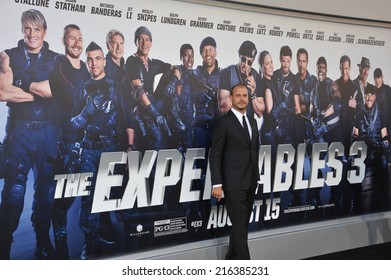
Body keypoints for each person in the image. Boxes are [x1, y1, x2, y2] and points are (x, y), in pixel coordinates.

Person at [0, 9, 59, 260]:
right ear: (22, 29)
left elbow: (56, 93)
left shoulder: (57, 60)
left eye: (36, 29)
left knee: (46, 192)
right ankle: (3, 245)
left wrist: (19, 87)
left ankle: (43, 241)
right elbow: (2, 93)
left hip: (49, 132)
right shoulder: (8, 56)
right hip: (19, 132)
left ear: (44, 31)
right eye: (27, 28)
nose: (31, 34)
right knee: (14, 193)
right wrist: (40, 92)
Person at [71, 41, 133, 259]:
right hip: (88, 149)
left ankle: (129, 241)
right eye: (89, 59)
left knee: (117, 194)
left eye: (97, 58)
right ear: (86, 62)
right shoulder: (82, 90)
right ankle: (90, 243)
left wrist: (129, 146)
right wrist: (87, 111)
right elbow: (73, 125)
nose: (93, 63)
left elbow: (127, 118)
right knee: (88, 198)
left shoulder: (116, 87)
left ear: (104, 61)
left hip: (112, 148)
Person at [48, 24, 91, 259]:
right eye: (72, 38)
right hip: (68, 144)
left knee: (89, 197)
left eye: (79, 38)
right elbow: (72, 97)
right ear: (64, 41)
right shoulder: (58, 70)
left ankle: (89, 246)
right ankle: (62, 252)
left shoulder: (87, 68)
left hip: (90, 143)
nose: (76, 43)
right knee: (65, 200)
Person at [210, 83, 259, 260]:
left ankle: (230, 260)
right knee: (240, 229)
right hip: (233, 185)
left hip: (250, 182)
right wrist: (217, 183)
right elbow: (215, 155)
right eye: (237, 95)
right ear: (230, 98)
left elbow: (254, 150)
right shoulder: (223, 123)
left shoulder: (252, 121)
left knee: (241, 227)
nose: (241, 99)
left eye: (245, 95)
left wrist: (256, 177)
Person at [126, 26, 182, 151]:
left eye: (147, 39)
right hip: (142, 107)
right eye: (140, 39)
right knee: (158, 140)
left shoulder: (152, 63)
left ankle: (173, 111)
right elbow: (138, 90)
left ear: (151, 43)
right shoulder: (132, 61)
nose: (144, 43)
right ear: (136, 42)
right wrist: (154, 113)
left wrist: (173, 81)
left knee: (171, 73)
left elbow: (177, 68)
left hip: (154, 102)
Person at [310, 56, 343, 217]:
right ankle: (316, 201)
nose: (321, 69)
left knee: (335, 168)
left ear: (326, 69)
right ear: (316, 69)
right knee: (316, 166)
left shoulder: (332, 84)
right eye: (318, 67)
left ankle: (336, 202)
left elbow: (338, 102)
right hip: (321, 134)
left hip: (334, 133)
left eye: (323, 66)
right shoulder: (313, 90)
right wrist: (312, 119)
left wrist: (325, 113)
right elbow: (311, 111)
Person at [352, 84, 390, 212]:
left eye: (371, 95)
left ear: (375, 97)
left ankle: (385, 206)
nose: (369, 97)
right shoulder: (358, 115)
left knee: (384, 166)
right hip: (363, 154)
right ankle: (357, 208)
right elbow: (354, 136)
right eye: (367, 94)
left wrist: (384, 145)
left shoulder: (381, 114)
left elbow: (384, 135)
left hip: (378, 153)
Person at [218, 40, 264, 120]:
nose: (245, 65)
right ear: (239, 56)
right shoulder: (227, 73)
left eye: (249, 62)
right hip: (230, 125)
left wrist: (253, 93)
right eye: (243, 59)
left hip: (247, 127)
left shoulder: (257, 78)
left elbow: (259, 113)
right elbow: (223, 107)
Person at [269, 45, 301, 146]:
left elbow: (297, 108)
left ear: (291, 60)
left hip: (289, 127)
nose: (285, 64)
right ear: (280, 59)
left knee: (288, 157)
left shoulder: (295, 80)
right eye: (283, 61)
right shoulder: (273, 76)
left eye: (288, 61)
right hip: (273, 124)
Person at [336, 55, 359, 159]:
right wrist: (347, 102)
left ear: (349, 68)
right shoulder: (335, 84)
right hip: (337, 123)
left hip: (349, 124)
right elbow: (335, 105)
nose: (344, 71)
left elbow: (356, 109)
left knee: (348, 154)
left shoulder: (354, 87)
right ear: (339, 67)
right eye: (342, 67)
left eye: (346, 68)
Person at [295, 48, 317, 143]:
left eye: (303, 61)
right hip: (295, 130)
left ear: (307, 62)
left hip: (310, 131)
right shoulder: (292, 80)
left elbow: (317, 106)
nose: (301, 64)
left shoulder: (314, 81)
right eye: (299, 61)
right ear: (296, 61)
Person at [373, 68, 391, 133]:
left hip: (388, 125)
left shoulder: (388, 89)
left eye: (378, 78)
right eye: (375, 79)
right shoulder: (372, 91)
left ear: (382, 77)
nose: (377, 81)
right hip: (376, 126)